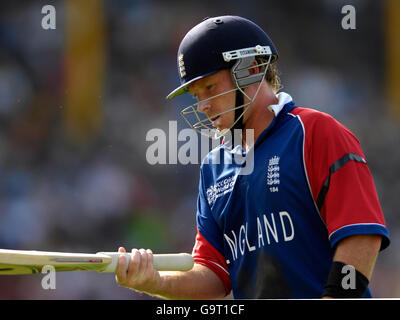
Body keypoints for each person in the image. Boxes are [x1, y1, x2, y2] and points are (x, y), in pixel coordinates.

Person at [115, 15, 390, 299]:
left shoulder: (316, 132)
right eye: (196, 95)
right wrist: (153, 281)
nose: (204, 106)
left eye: (210, 88)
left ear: (252, 69)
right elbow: (213, 276)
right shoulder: (213, 167)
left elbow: (361, 236)